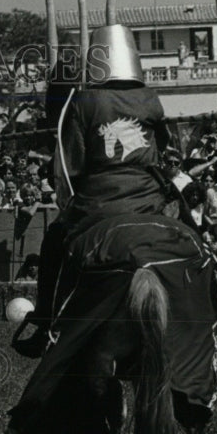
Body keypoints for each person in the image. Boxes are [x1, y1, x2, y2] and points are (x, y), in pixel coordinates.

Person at [21, 25, 173, 358]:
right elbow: (162, 149)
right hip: (150, 202)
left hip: (99, 205)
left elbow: (72, 166)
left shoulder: (83, 100)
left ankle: (45, 322)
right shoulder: (150, 98)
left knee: (53, 243)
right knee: (194, 238)